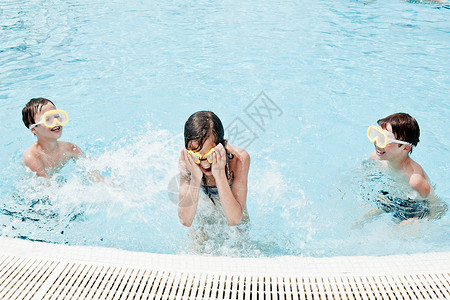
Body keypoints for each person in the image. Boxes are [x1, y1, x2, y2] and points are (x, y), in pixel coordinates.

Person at [365, 112, 446, 222]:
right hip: (391, 197)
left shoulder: (415, 179)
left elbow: (434, 203)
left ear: (405, 148)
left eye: (384, 140)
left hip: (414, 208)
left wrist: (428, 220)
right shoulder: (376, 158)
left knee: (398, 233)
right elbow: (366, 175)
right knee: (363, 217)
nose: (377, 143)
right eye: (377, 135)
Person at [178, 111, 250, 227]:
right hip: (205, 220)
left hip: (235, 218)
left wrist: (220, 175)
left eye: (211, 155)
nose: (205, 163)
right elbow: (185, 221)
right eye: (198, 156)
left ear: (224, 145)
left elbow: (235, 220)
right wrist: (196, 178)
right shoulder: (187, 160)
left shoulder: (239, 160)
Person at [22, 98, 97, 180]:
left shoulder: (70, 148)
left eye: (57, 116)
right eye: (47, 119)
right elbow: (47, 185)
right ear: (34, 129)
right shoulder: (32, 156)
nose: (56, 122)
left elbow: (92, 174)